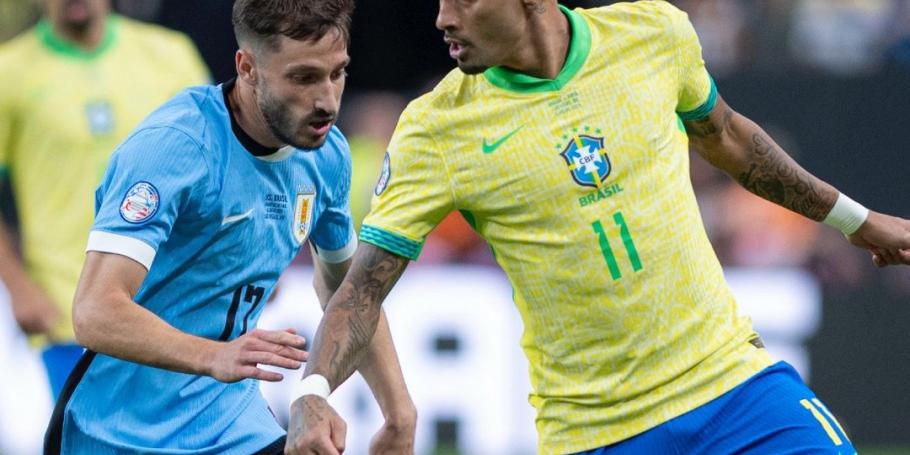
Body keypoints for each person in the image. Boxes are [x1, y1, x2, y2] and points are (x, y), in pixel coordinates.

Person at [288, 0, 910, 454]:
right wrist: (313, 389)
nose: (443, 18)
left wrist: (856, 221)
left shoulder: (654, 35)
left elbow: (727, 138)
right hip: (595, 433)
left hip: (735, 391)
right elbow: (362, 289)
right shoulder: (436, 127)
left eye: (463, 0)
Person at [43, 0, 416, 453]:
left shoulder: (326, 155)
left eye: (337, 73)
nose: (326, 101)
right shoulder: (176, 146)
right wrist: (215, 355)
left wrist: (399, 414)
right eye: (302, 78)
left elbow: (353, 292)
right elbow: (95, 312)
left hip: (231, 423)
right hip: (119, 431)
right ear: (248, 67)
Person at [0, 0, 209, 401]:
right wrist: (18, 286)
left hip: (174, 303)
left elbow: (218, 163)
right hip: (69, 311)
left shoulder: (170, 54)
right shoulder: (9, 72)